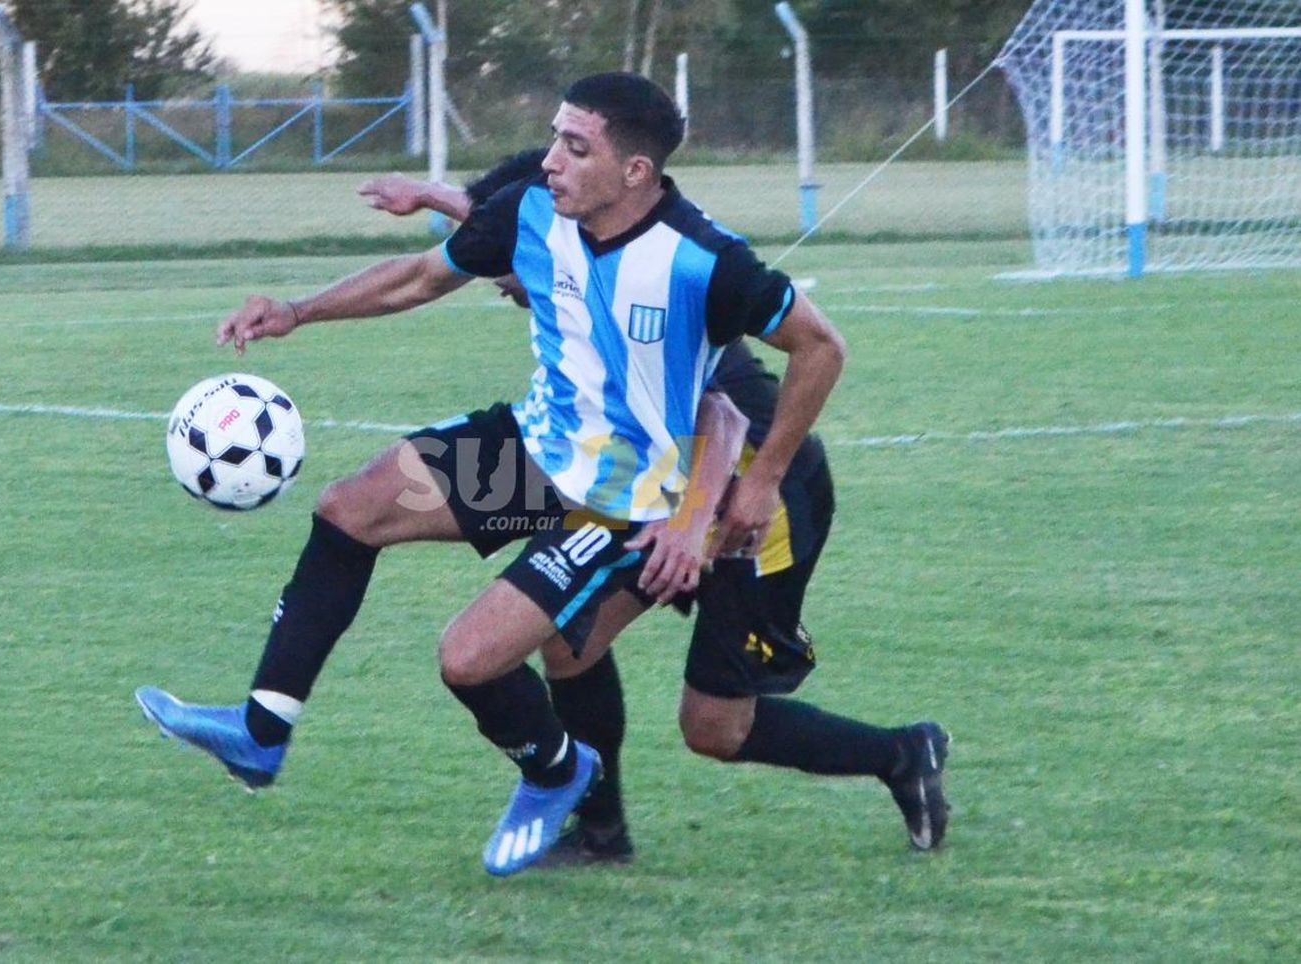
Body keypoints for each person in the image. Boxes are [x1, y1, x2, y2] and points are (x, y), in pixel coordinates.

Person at [135, 72, 847, 876]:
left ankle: (558, 771)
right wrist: (297, 311)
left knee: (469, 660)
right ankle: (263, 731)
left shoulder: (703, 262)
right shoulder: (531, 213)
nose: (551, 161)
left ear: (635, 173)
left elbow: (819, 349)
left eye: (575, 148)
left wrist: (757, 483)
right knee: (348, 509)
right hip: (530, 451)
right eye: (554, 139)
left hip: (618, 499)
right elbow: (421, 277)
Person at [361, 160, 953, 862]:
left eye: (504, 257)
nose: (497, 274)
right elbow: (516, 222)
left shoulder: (638, 279)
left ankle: (902, 753)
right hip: (656, 494)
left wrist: (723, 507)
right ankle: (602, 833)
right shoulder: (568, 270)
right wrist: (435, 197)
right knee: (568, 641)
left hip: (754, 502)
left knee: (713, 729)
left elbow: (732, 410)